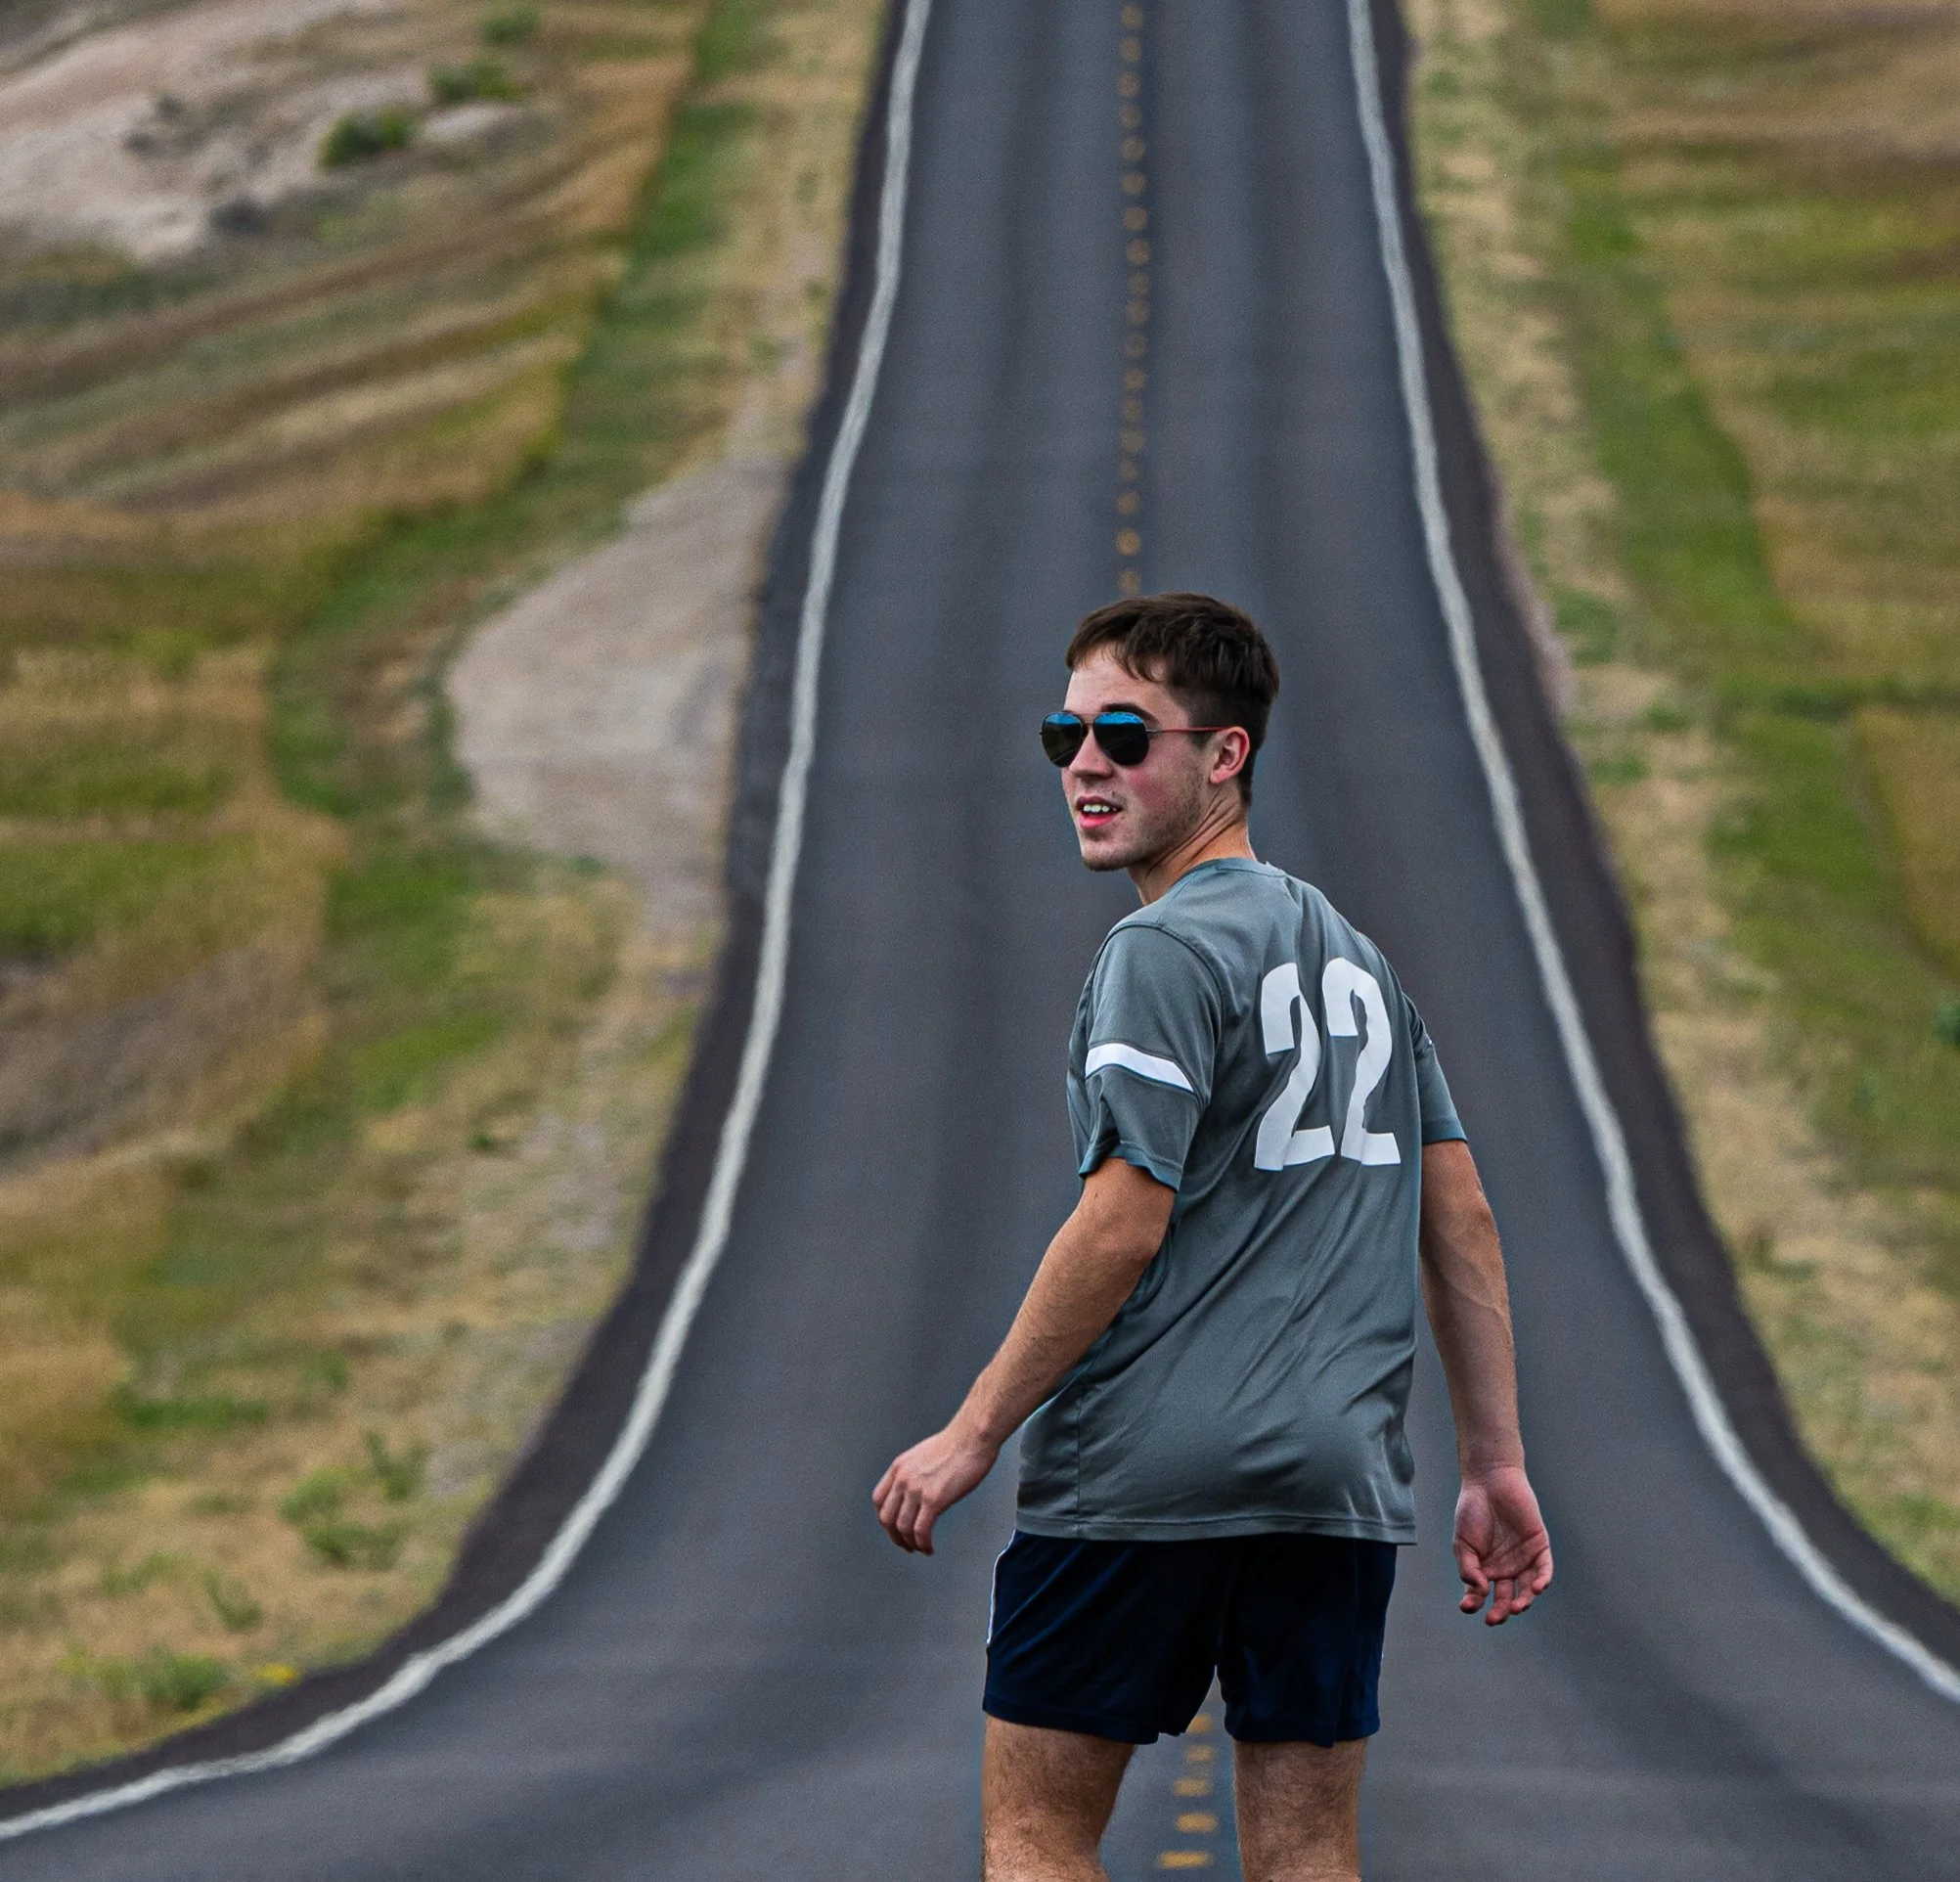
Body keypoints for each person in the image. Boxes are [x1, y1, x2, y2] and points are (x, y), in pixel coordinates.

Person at [872, 592, 1552, 1882]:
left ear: (1225, 755)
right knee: (1306, 1851)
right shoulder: (1360, 963)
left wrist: (972, 1432)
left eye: (1125, 735)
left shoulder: (1161, 952)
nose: (1085, 764)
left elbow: (1124, 1219)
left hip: (1144, 1478)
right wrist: (1493, 1461)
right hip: (1334, 1491)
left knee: (1035, 1833)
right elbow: (1454, 1204)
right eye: (1063, 735)